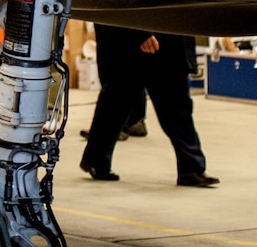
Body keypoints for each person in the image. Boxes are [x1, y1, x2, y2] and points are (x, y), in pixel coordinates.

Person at [80, 26, 216, 186]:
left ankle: (191, 168)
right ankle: (95, 160)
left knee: (173, 103)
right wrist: (139, 33)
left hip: (165, 34)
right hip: (142, 35)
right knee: (120, 101)